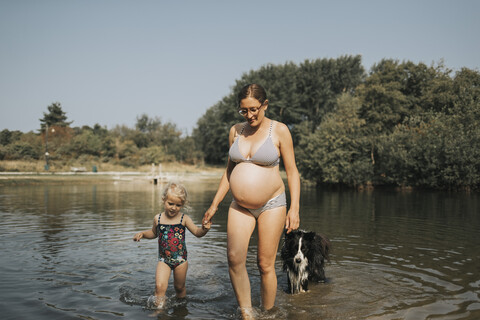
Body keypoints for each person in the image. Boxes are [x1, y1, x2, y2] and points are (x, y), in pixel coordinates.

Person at [202, 83, 300, 314]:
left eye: (254, 109)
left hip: (272, 204)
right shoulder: (235, 131)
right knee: (234, 259)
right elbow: (229, 171)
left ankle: (267, 314)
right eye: (244, 110)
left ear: (265, 104)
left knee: (264, 264)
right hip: (239, 206)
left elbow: (293, 171)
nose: (250, 115)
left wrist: (294, 208)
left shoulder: (279, 130)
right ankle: (247, 313)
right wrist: (214, 204)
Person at [133, 182, 211, 308]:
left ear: (182, 205)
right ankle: (159, 311)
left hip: (180, 260)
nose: (174, 207)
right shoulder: (157, 219)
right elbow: (154, 233)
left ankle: (181, 309)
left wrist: (205, 229)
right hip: (164, 260)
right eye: (171, 203)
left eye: (178, 205)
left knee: (179, 288)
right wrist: (142, 233)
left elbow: (197, 233)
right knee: (159, 287)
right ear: (164, 200)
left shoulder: (184, 219)